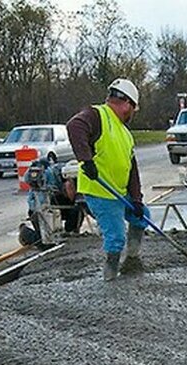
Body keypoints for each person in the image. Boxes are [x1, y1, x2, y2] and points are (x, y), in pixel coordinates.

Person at [66, 78, 151, 281]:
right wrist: (86, 161)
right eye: (134, 109)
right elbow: (74, 126)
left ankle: (132, 260)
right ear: (127, 104)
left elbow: (132, 170)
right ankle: (110, 276)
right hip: (100, 193)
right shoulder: (97, 115)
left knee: (142, 216)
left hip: (119, 193)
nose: (133, 114)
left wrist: (137, 200)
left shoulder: (125, 133)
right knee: (116, 238)